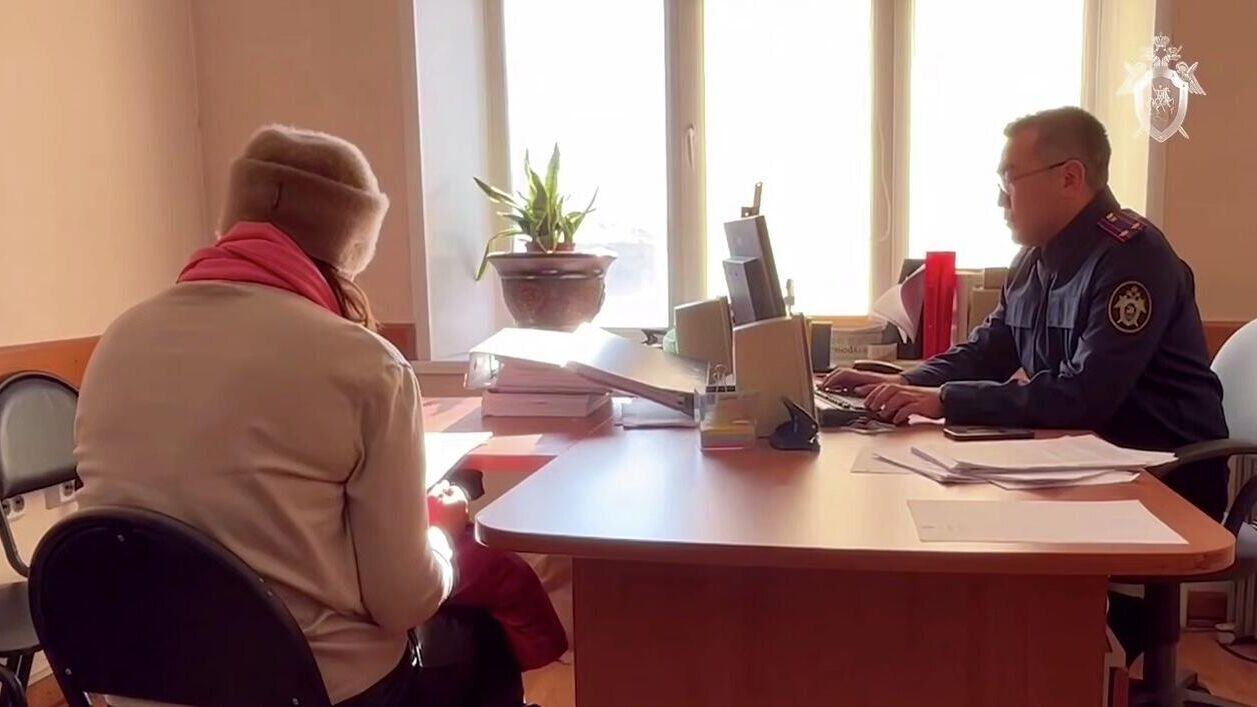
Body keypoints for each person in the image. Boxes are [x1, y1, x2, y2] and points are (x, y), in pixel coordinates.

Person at [75, 125, 566, 707]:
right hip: (315, 689)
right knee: (480, 636)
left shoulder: (119, 339)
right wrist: (442, 532)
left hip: (139, 688)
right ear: (351, 250)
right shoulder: (365, 364)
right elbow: (403, 600)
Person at [823, 106, 1229, 662]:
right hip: (1084, 469)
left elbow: (1084, 397)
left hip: (1162, 477)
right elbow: (986, 351)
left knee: (982, 574)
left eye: (1010, 179)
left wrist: (943, 401)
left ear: (1070, 177)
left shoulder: (1133, 259)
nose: (1000, 199)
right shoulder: (1034, 262)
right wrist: (898, 382)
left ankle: (1072, 671)